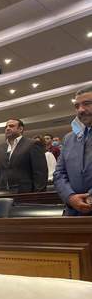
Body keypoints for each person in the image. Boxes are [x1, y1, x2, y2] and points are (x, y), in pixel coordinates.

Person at [54, 86, 92, 215]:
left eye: (87, 104)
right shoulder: (69, 138)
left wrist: (89, 199)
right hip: (74, 212)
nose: (81, 110)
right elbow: (59, 174)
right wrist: (70, 197)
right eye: (77, 106)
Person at [0, 119, 48, 193]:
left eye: (11, 126)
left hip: (26, 192)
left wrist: (38, 194)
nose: (7, 128)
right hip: (3, 193)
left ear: (20, 129)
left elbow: (40, 173)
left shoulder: (32, 144)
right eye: (6, 127)